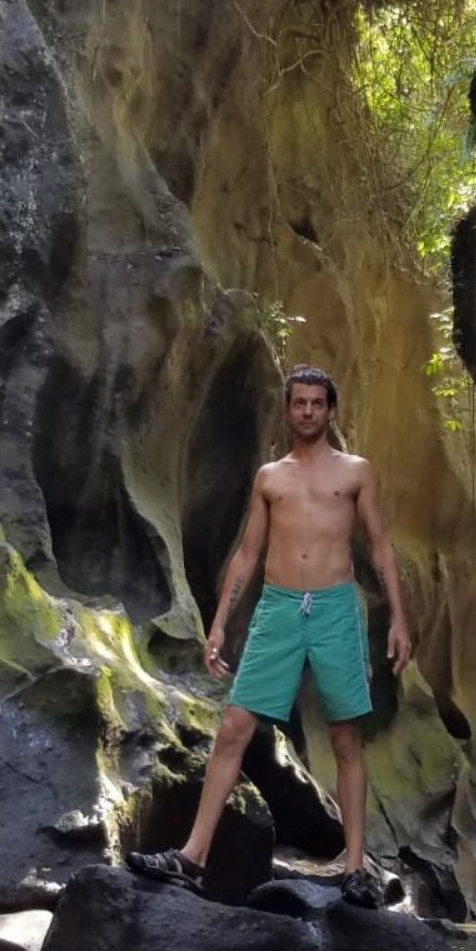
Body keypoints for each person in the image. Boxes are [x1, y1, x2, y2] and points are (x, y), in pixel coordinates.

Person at [127, 364, 412, 906]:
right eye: (299, 402)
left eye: (317, 403)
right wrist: (218, 623)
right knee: (234, 726)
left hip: (334, 609)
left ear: (331, 410)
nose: (308, 411)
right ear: (287, 410)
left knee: (345, 736)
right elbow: (248, 554)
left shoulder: (355, 472)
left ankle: (355, 870)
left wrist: (399, 618)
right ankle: (192, 858)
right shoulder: (270, 477)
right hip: (278, 610)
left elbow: (380, 547)